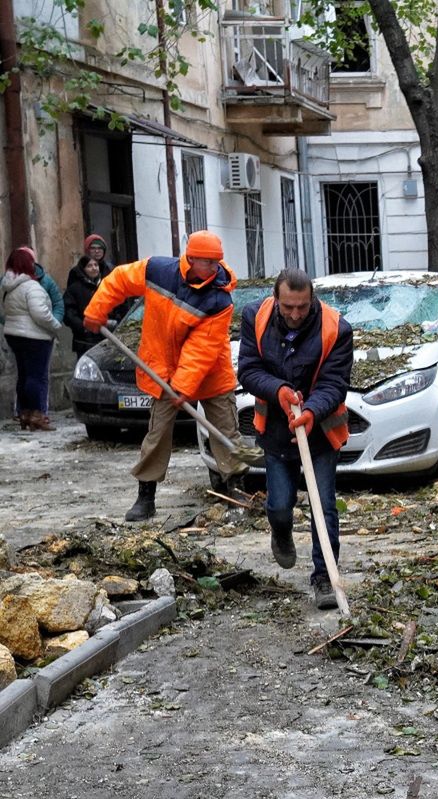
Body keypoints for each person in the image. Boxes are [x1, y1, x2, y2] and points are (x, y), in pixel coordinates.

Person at [83, 230, 248, 521]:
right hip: (162, 370)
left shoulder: (219, 299)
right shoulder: (158, 270)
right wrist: (98, 310)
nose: (215, 268)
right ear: (192, 258)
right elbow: (120, 279)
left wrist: (183, 386)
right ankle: (145, 497)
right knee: (157, 435)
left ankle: (235, 491)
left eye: (218, 262)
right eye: (209, 262)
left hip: (211, 372)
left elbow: (202, 350)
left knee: (225, 431)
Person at [235, 268, 353, 610]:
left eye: (302, 307)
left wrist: (312, 410)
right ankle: (281, 531)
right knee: (279, 505)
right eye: (288, 307)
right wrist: (280, 390)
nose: (295, 314)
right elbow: (249, 370)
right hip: (275, 429)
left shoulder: (336, 327)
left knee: (324, 507)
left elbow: (334, 383)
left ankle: (325, 579)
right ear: (276, 299)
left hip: (320, 431)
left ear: (312, 299)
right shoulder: (254, 317)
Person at [2, 247, 61, 431]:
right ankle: (37, 415)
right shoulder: (31, 286)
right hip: (35, 337)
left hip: (14, 335)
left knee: (24, 375)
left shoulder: (8, 285)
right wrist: (55, 325)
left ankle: (25, 413)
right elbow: (41, 314)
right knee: (36, 377)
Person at [64, 255, 104, 355]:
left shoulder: (106, 285)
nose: (94, 268)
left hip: (105, 335)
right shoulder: (74, 289)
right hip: (84, 340)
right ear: (83, 269)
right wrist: (82, 327)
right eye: (89, 266)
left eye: (96, 265)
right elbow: (69, 313)